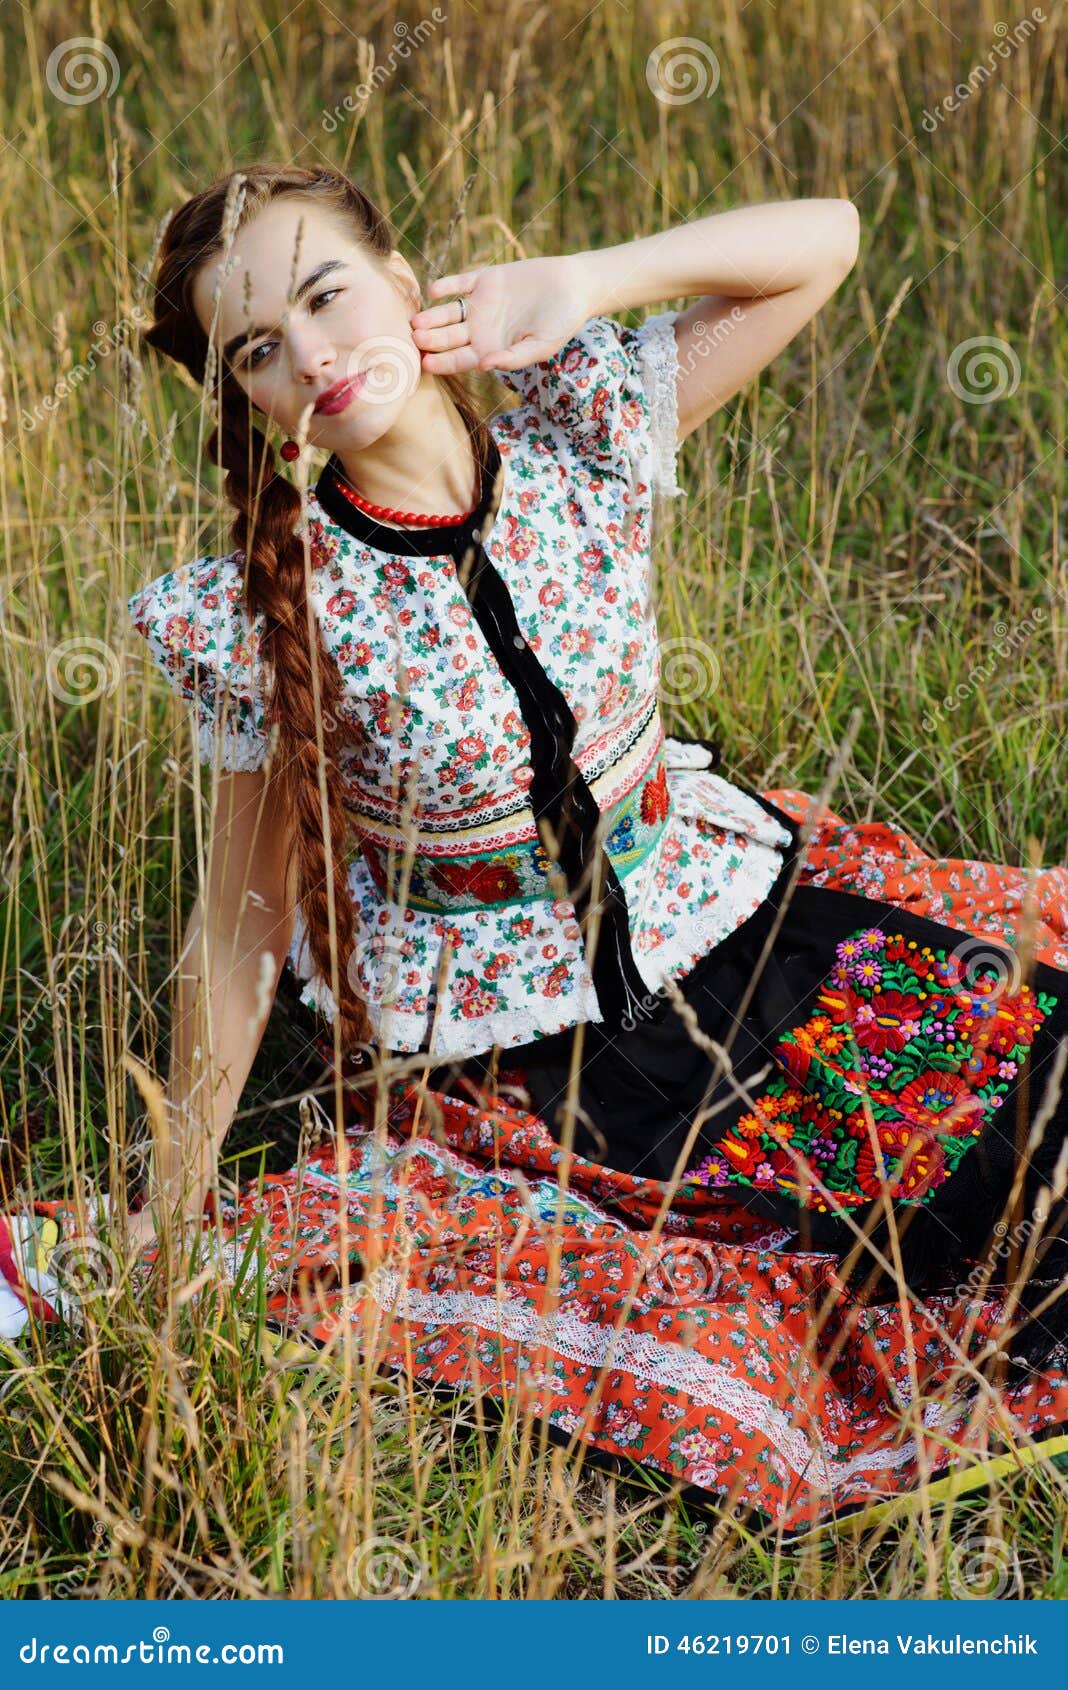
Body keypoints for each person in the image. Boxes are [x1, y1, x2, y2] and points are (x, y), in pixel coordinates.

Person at [120, 160, 1068, 1401]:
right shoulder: (275, 611)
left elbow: (825, 236)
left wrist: (592, 278)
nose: (312, 353)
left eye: (327, 294)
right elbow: (242, 927)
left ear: (406, 282)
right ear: (248, 399)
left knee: (1035, 1078)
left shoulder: (582, 439)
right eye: (256, 349)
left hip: (723, 925)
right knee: (906, 1254)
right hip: (532, 1055)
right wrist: (173, 1192)